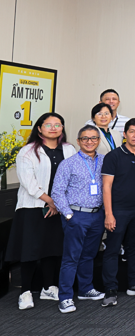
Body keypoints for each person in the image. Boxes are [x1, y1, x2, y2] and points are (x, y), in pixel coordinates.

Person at [7, 113, 77, 310]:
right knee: (30, 250)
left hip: (59, 208)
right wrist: (51, 201)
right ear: (39, 128)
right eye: (48, 124)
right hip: (32, 207)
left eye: (58, 124)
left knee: (52, 249)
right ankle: (26, 292)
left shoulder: (69, 149)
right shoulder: (28, 151)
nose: (54, 128)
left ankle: (48, 287)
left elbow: (73, 178)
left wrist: (58, 204)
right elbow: (28, 183)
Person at [100, 118, 135, 307]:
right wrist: (109, 213)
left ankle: (134, 284)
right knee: (113, 249)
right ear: (124, 134)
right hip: (118, 210)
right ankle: (110, 288)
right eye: (132, 132)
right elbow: (106, 187)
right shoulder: (113, 156)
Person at [51, 125, 106, 313]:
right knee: (71, 258)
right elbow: (57, 192)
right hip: (76, 215)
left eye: (93, 138)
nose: (89, 142)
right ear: (78, 141)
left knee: (89, 255)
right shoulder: (69, 164)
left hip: (98, 215)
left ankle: (85, 289)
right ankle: (65, 297)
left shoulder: (105, 161)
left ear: (98, 140)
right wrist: (68, 215)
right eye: (85, 138)